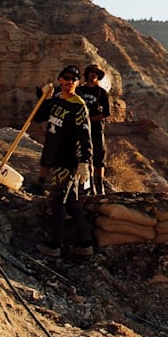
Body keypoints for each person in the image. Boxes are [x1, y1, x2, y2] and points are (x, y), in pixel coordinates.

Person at [35, 65, 93, 259]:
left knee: (57, 200)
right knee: (72, 202)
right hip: (55, 155)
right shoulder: (56, 100)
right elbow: (38, 117)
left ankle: (54, 245)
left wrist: (85, 161)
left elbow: (85, 136)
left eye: (73, 79)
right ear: (60, 79)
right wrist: (44, 98)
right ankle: (85, 244)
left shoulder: (79, 106)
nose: (69, 82)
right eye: (66, 78)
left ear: (77, 83)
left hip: (68, 159)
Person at [79, 65, 111, 196]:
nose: (93, 75)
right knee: (84, 157)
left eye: (96, 73)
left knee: (99, 158)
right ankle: (87, 184)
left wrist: (90, 119)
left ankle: (99, 184)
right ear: (87, 74)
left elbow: (106, 113)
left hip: (96, 129)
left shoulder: (102, 93)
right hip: (81, 128)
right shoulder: (79, 90)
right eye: (91, 72)